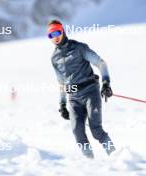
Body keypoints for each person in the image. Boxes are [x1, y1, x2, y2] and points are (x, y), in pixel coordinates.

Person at [48, 20, 115, 158]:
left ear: (62, 31)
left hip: (90, 92)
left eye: (57, 32)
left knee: (96, 130)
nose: (55, 37)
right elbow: (61, 82)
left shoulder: (79, 48)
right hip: (73, 98)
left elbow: (101, 63)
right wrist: (62, 104)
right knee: (77, 132)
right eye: (51, 35)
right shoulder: (54, 58)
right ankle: (89, 162)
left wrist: (106, 83)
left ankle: (114, 154)